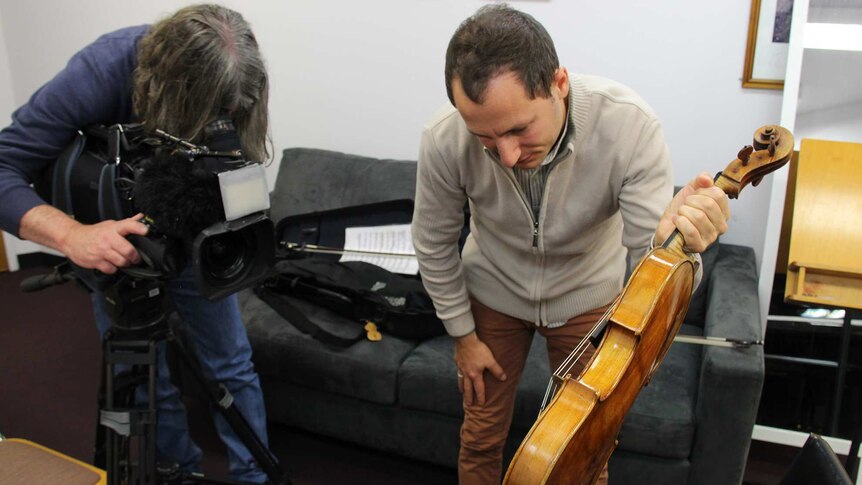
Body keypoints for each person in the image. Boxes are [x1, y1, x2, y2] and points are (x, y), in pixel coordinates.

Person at [411, 4, 730, 484]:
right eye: (485, 138)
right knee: (479, 437)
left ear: (558, 83)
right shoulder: (443, 136)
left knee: (586, 451)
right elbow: (432, 243)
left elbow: (653, 259)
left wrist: (679, 245)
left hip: (588, 298)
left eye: (520, 129)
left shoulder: (630, 125)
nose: (508, 155)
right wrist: (463, 335)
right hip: (493, 295)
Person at [0, 5, 272, 483]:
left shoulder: (234, 87)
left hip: (188, 236)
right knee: (147, 376)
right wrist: (72, 234)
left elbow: (236, 164)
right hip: (111, 245)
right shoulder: (100, 71)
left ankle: (255, 477)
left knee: (231, 360)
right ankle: (179, 473)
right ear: (170, 86)